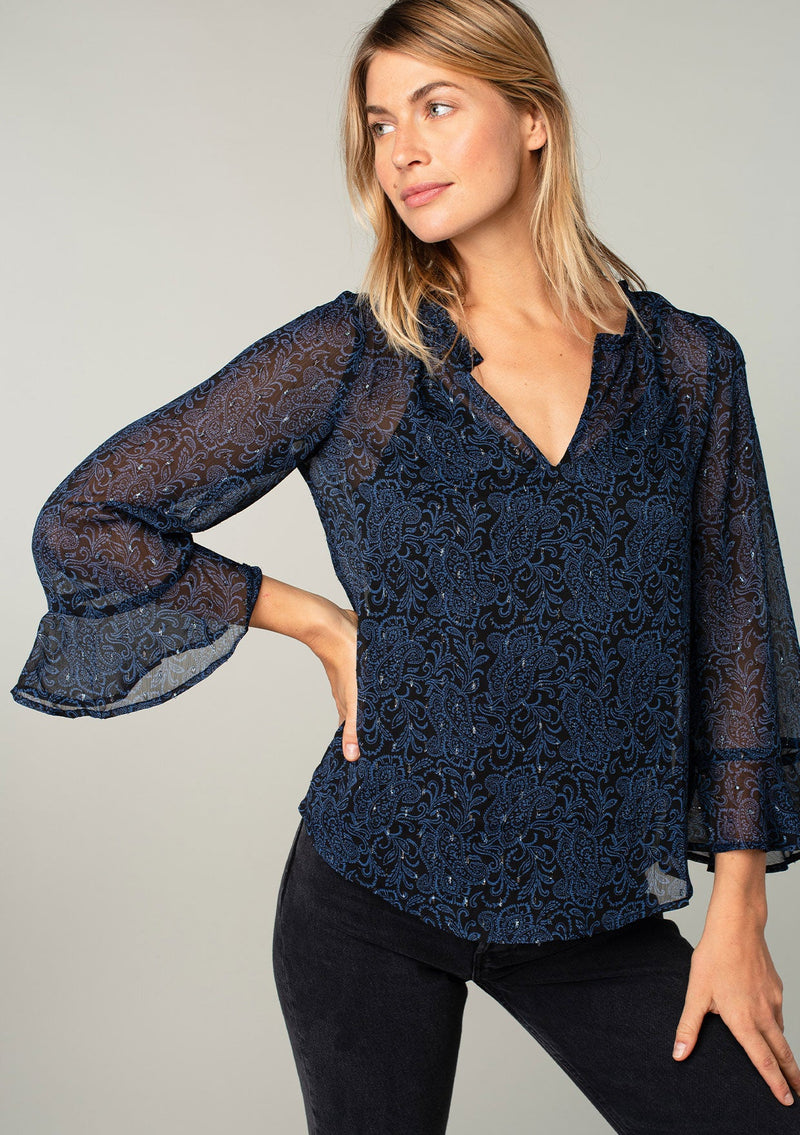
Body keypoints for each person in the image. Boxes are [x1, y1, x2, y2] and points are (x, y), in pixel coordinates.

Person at [10, 0, 800, 1131]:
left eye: (436, 107)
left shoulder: (687, 368)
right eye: (380, 124)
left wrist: (739, 912)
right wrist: (317, 623)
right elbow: (85, 518)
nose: (402, 152)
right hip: (366, 890)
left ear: (533, 117)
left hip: (592, 906)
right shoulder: (360, 356)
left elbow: (737, 637)